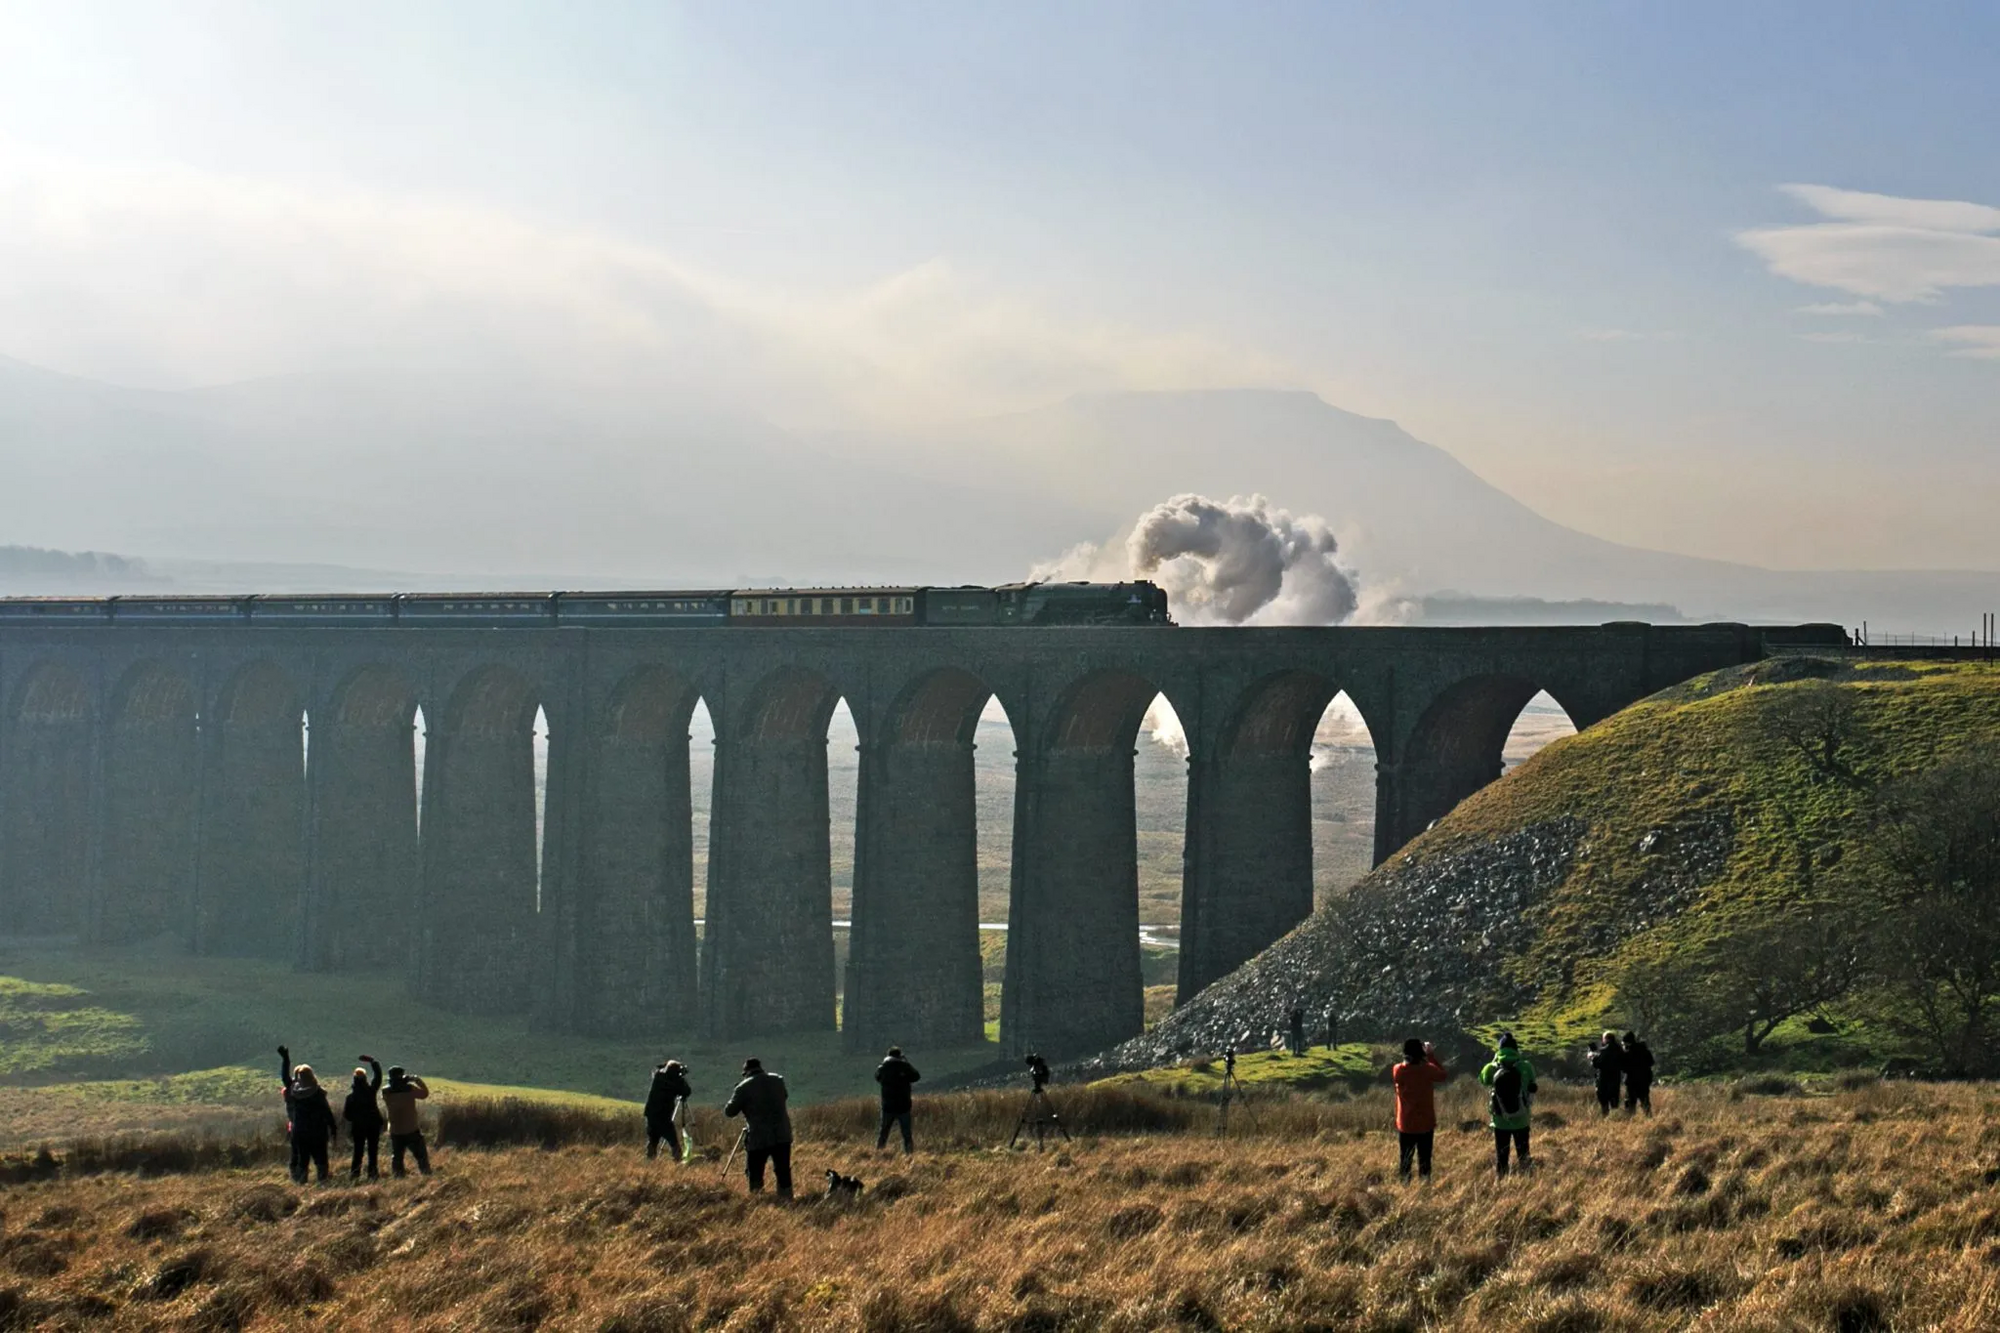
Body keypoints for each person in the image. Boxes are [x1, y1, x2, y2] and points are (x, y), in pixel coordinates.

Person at [725, 1057, 794, 1198]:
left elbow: (730, 1111)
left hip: (759, 1137)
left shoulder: (743, 1088)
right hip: (782, 1134)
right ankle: (787, 1199)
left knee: (755, 1172)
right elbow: (784, 1096)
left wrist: (738, 1094)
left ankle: (758, 1201)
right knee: (783, 1171)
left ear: (746, 1073)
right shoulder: (778, 1080)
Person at [1478, 1032, 1539, 1178]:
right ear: (1516, 1049)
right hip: (1522, 1118)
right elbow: (1533, 1084)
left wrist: (1494, 1061)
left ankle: (1501, 1180)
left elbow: (1482, 1080)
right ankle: (1527, 1182)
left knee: (1502, 1155)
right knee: (1524, 1153)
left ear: (1500, 1049)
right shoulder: (1526, 1066)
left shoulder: (1491, 1067)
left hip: (1500, 1120)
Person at [1391, 1037, 1452, 1182]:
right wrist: (1430, 1055)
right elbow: (1443, 1075)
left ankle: (1404, 1186)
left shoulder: (1398, 1070)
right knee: (1425, 1160)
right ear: (1421, 1053)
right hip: (1425, 1123)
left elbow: (1406, 1066)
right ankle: (1424, 1187)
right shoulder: (1427, 1070)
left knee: (1405, 1160)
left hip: (1406, 1124)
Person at [278, 1046, 338, 1184]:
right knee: (321, 1159)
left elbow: (285, 1077)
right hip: (318, 1131)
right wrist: (333, 1128)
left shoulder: (294, 1092)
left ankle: (301, 1184)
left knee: (302, 1160)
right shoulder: (318, 1093)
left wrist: (285, 1059)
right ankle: (322, 1183)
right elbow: (327, 1112)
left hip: (300, 1131)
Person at [381, 1064, 432, 1177]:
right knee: (421, 1155)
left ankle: (398, 1177)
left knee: (397, 1156)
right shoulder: (410, 1089)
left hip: (395, 1129)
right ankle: (426, 1175)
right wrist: (416, 1079)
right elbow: (425, 1094)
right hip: (411, 1128)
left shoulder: (385, 1092)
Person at [343, 1055, 385, 1180]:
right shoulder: (371, 1092)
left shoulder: (350, 1098)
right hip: (373, 1125)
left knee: (358, 1152)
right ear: (365, 1079)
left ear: (354, 1081)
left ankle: (355, 1175)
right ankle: (373, 1175)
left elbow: (346, 1115)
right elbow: (378, 1077)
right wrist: (373, 1062)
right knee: (373, 1151)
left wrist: (355, 1118)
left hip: (358, 1127)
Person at [874, 1046, 922, 1154]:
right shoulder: (905, 1066)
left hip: (888, 1106)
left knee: (884, 1132)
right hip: (903, 1106)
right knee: (906, 1134)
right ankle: (909, 1154)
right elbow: (916, 1076)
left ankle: (879, 1153)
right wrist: (906, 1062)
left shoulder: (883, 1068)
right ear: (900, 1055)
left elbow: (877, 1077)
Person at [644, 1060, 692, 1161]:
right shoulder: (675, 1082)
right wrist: (681, 1078)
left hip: (651, 1114)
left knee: (653, 1139)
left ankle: (649, 1160)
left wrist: (667, 1067)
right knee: (673, 1141)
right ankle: (678, 1160)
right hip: (663, 1116)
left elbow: (658, 1069)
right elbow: (686, 1091)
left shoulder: (658, 1077)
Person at [1588, 1031, 1625, 1117]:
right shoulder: (1620, 1050)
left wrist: (1593, 1058)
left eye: (1603, 1038)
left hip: (1604, 1079)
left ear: (1607, 1039)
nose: (1602, 1040)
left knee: (1603, 1100)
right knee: (1614, 1100)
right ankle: (1615, 1118)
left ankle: (1606, 1117)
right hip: (1616, 1078)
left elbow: (1598, 1064)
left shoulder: (1605, 1050)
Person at [1622, 1031, 1655, 1115]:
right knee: (1645, 1102)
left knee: (1630, 1104)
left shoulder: (1628, 1053)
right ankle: (1649, 1119)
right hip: (1644, 1080)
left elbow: (1624, 1068)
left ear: (1627, 1042)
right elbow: (1651, 1062)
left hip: (1632, 1081)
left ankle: (1630, 1122)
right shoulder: (1644, 1050)